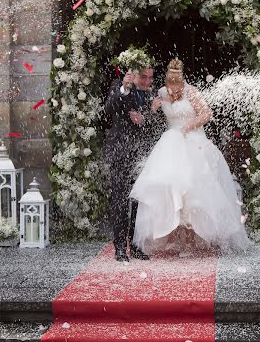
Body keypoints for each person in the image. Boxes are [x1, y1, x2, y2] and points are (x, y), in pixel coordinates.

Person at [130, 58, 250, 256]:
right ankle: (174, 237)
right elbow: (151, 116)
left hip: (194, 141)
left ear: (182, 83)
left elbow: (206, 114)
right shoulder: (160, 93)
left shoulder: (191, 92)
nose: (173, 93)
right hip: (170, 145)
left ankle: (191, 242)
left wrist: (187, 127)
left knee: (194, 192)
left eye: (176, 90)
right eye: (171, 89)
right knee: (170, 187)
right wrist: (153, 109)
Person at [104, 61, 163, 262]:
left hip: (142, 155)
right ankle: (120, 248)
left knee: (140, 202)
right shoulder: (118, 86)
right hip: (121, 152)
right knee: (120, 201)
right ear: (133, 75)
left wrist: (149, 114)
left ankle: (136, 246)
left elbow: (158, 126)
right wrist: (124, 89)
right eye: (143, 77)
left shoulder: (152, 95)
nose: (148, 81)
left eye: (150, 77)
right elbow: (109, 109)